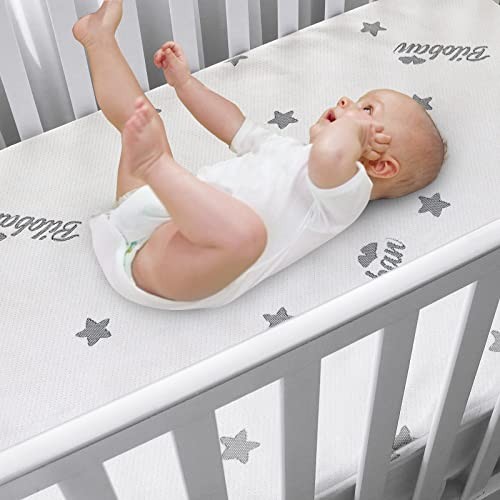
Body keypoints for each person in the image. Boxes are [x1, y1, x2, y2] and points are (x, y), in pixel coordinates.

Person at [77, 0, 447, 310]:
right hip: (158, 211)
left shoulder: (346, 195)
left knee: (248, 234)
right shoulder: (287, 151)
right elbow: (233, 124)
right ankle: (99, 39)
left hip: (182, 265)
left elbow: (330, 156)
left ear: (381, 165)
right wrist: (185, 84)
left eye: (367, 111)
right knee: (143, 120)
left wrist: (351, 129)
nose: (347, 102)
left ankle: (157, 165)